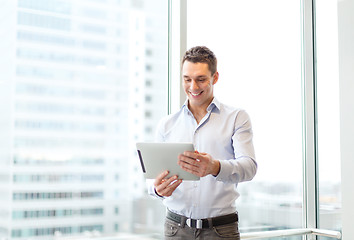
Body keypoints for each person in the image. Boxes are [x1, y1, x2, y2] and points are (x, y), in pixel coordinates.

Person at [148, 46, 257, 239]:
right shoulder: (167, 124)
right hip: (175, 228)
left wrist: (215, 167)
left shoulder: (236, 118)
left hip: (220, 230)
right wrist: (156, 189)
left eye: (201, 79)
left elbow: (249, 167)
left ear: (215, 78)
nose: (193, 87)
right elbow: (153, 177)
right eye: (187, 79)